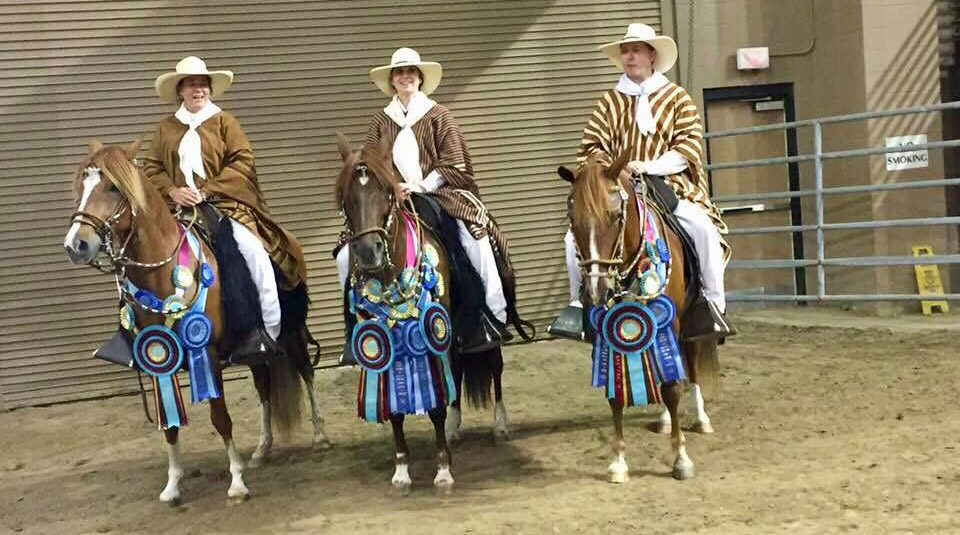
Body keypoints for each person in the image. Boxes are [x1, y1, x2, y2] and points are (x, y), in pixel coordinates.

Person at [551, 23, 736, 341]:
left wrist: (649, 166)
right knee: (574, 239)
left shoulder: (677, 98)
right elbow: (591, 149)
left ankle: (712, 305)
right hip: (617, 186)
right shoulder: (609, 102)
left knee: (702, 227)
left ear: (652, 56)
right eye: (625, 50)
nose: (629, 56)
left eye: (635, 50)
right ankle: (579, 305)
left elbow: (688, 147)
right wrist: (615, 171)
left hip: (668, 182)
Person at [336, 47, 514, 348]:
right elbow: (369, 164)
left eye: (410, 72)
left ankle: (492, 316)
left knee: (476, 240)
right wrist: (392, 186)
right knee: (345, 255)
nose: (405, 77)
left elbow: (454, 162)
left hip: (439, 193)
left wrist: (418, 187)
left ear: (420, 78)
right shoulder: (381, 120)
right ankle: (358, 326)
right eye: (399, 72)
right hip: (393, 198)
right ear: (392, 81)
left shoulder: (439, 114)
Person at [143, 56, 307, 359]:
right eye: (192, 83)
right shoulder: (165, 128)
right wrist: (172, 191)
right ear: (180, 90)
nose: (199, 88)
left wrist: (207, 190)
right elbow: (151, 166)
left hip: (224, 204)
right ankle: (143, 330)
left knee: (254, 253)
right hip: (177, 208)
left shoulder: (225, 122)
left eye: (203, 83)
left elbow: (243, 160)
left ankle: (265, 331)